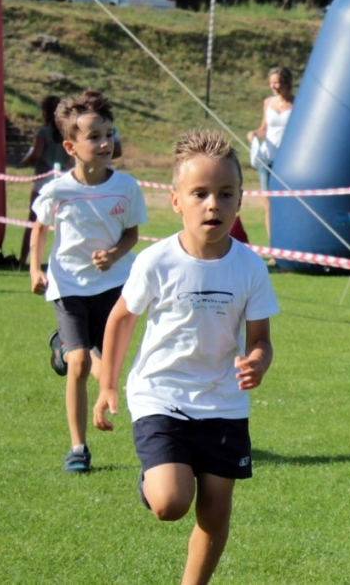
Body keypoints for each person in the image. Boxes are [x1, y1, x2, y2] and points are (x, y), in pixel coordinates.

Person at [94, 130, 279, 585]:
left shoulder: (250, 267)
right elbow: (121, 319)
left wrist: (257, 362)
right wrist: (107, 386)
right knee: (171, 503)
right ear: (176, 200)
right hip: (161, 395)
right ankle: (153, 479)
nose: (213, 204)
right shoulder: (156, 261)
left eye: (226, 194)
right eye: (200, 194)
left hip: (223, 402)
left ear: (240, 201)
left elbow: (261, 339)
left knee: (215, 511)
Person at [28, 91, 147, 472]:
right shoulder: (58, 190)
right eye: (94, 136)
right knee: (81, 362)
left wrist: (114, 254)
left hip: (113, 286)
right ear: (70, 146)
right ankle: (78, 449)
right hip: (69, 285)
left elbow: (132, 233)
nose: (105, 143)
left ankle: (64, 347)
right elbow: (39, 228)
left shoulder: (126, 187)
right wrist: (35, 269)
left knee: (105, 359)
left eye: (109, 134)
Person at [18, 95, 71, 266]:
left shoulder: (43, 132)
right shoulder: (67, 133)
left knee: (34, 220)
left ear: (45, 112)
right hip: (63, 179)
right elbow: (72, 160)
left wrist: (25, 161)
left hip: (43, 179)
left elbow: (36, 155)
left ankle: (23, 259)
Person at [246, 66, 294, 241]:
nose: (273, 86)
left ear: (286, 83)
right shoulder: (268, 103)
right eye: (271, 83)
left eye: (277, 83)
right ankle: (273, 245)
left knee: (287, 202)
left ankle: (288, 241)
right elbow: (264, 129)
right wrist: (254, 134)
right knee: (268, 203)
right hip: (267, 159)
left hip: (287, 161)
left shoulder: (297, 103)